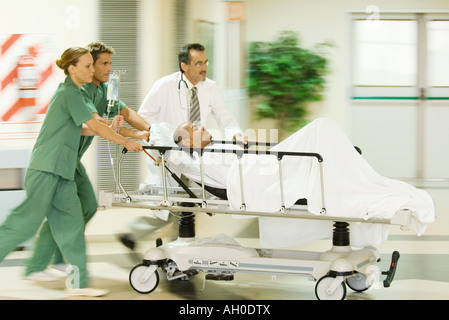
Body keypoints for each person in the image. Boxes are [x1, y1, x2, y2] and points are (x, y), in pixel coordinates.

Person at [0, 47, 142, 297]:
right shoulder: (68, 92)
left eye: (92, 65)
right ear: (71, 68)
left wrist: (117, 128)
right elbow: (95, 126)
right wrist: (126, 141)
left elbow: (93, 125)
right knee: (24, 224)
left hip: (63, 171)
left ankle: (79, 283)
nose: (92, 70)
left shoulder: (75, 93)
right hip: (45, 168)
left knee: (73, 224)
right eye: (87, 66)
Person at [169, 119, 435, 248]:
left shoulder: (216, 148)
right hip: (265, 175)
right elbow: (238, 178)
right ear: (188, 141)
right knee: (320, 128)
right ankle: (347, 169)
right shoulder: (204, 159)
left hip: (267, 167)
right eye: (194, 127)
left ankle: (349, 170)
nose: (201, 126)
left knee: (323, 132)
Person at [118, 43, 246, 250]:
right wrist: (167, 136)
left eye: (205, 62)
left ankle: (179, 252)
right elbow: (144, 116)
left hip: (196, 157)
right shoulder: (165, 85)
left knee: (187, 204)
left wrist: (236, 134)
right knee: (171, 208)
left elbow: (225, 118)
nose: (204, 67)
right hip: (172, 155)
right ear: (184, 66)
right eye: (198, 63)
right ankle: (144, 239)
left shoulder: (210, 87)